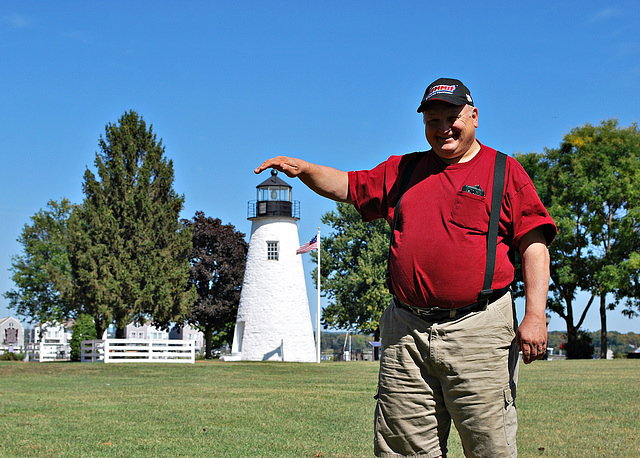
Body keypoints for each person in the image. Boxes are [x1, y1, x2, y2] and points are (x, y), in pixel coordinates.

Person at [255, 78, 556, 457]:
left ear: (474, 116)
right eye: (432, 120)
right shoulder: (404, 170)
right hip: (406, 331)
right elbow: (348, 186)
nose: (443, 127)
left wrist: (535, 314)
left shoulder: (503, 171)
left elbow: (534, 245)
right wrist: (306, 169)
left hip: (479, 328)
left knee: (489, 446)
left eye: (452, 117)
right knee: (403, 449)